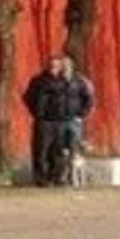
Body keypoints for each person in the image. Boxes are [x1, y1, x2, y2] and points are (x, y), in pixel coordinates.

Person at [23, 54, 81, 187]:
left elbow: (72, 99)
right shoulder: (38, 80)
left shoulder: (65, 81)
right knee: (42, 150)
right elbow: (27, 98)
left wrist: (74, 113)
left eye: (56, 66)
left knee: (58, 151)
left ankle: (56, 177)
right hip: (44, 121)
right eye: (51, 65)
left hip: (60, 121)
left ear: (60, 67)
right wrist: (37, 112)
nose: (53, 68)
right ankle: (41, 179)